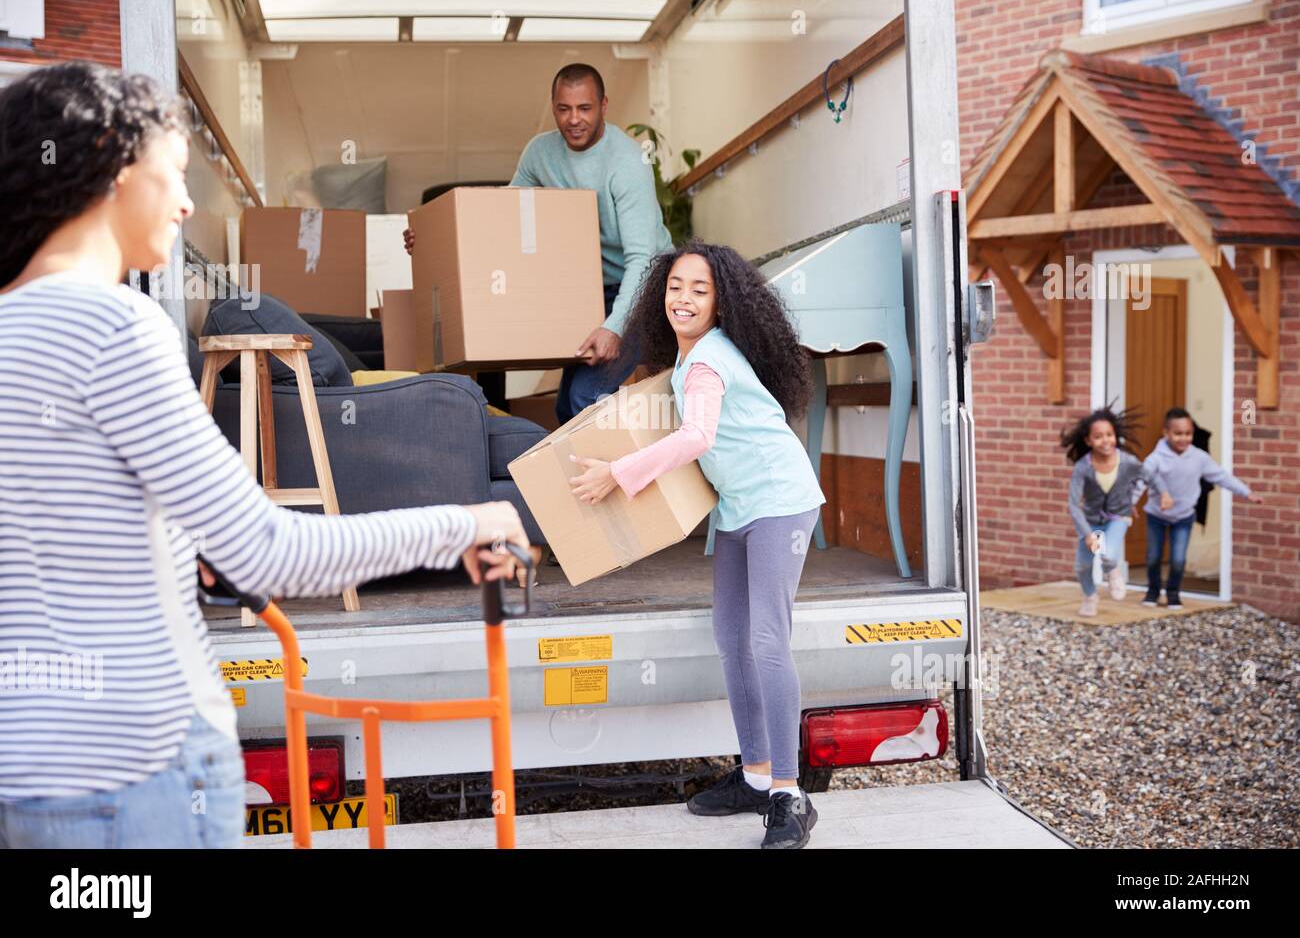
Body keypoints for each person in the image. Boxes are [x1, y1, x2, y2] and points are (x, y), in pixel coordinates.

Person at [0, 61, 527, 849]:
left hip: (28, 777)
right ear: (113, 161)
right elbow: (271, 554)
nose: (184, 202)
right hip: (140, 774)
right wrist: (470, 521)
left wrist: (175, 555)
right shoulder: (118, 328)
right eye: (173, 173)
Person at [567, 241, 826, 849]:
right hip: (739, 506)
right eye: (676, 286)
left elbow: (696, 435)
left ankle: (790, 796)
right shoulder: (689, 360)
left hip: (780, 502)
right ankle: (757, 775)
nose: (683, 299)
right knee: (729, 636)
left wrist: (619, 472)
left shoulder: (708, 362)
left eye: (699, 290)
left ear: (721, 302)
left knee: (765, 638)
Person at [405, 63, 672, 423]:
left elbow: (643, 259)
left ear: (604, 106)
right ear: (553, 107)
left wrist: (614, 327)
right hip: (587, 288)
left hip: (645, 288)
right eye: (564, 109)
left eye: (584, 108)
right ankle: (575, 479)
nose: (573, 119)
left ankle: (609, 479)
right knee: (565, 407)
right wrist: (431, 243)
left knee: (586, 396)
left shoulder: (626, 162)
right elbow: (501, 217)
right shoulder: (540, 152)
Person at [1140, 407, 1261, 610]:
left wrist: (1245, 492)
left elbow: (1221, 476)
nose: (1183, 438)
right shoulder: (1155, 459)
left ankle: (1173, 594)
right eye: (1178, 433)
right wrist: (1126, 505)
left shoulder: (1199, 457)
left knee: (1178, 559)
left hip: (1184, 516)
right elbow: (1140, 481)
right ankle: (1152, 591)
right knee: (1153, 557)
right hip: (1156, 515)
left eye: (1188, 434)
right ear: (1166, 433)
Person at [1060, 406, 1167, 618]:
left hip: (1118, 517)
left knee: (1108, 555)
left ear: (1115, 436)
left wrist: (1164, 493)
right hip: (1091, 522)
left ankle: (1114, 573)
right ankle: (1090, 597)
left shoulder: (1126, 462)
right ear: (1089, 441)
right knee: (1083, 565)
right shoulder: (1084, 467)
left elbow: (1150, 476)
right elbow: (1074, 504)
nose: (1105, 440)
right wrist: (1087, 533)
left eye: (1109, 435)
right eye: (1098, 437)